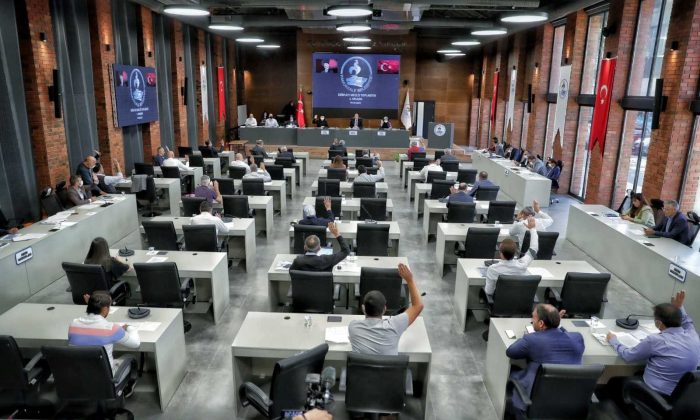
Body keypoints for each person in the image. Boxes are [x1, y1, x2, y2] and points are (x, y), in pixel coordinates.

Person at [604, 291, 699, 410]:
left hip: (658, 394)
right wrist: (679, 307)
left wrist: (613, 340)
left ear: (659, 323)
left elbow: (628, 356)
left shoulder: (655, 340)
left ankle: (622, 412)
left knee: (613, 382)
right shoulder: (693, 335)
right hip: (681, 397)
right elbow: (687, 321)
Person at [505, 304, 584, 415]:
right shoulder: (577, 338)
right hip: (569, 402)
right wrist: (556, 325)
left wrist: (527, 337)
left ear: (541, 323)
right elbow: (566, 336)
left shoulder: (532, 340)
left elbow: (511, 352)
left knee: (513, 370)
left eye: (533, 318)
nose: (532, 321)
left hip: (538, 401)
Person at [68, 291, 140, 397]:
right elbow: (136, 344)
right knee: (130, 358)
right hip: (105, 381)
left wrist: (92, 305)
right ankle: (125, 389)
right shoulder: (112, 329)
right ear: (105, 309)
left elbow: (91, 330)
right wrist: (131, 328)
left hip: (79, 377)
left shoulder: (73, 324)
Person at [349, 263, 424, 355]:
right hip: (391, 365)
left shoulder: (353, 327)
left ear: (363, 308)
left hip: (361, 365)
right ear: (384, 309)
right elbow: (418, 305)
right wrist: (410, 280)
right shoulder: (396, 325)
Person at [484, 217, 538, 296]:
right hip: (519, 300)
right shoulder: (523, 264)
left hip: (500, 301)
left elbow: (489, 292)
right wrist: (533, 229)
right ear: (515, 253)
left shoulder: (493, 269)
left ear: (500, 253)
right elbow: (534, 249)